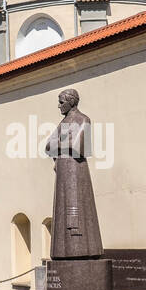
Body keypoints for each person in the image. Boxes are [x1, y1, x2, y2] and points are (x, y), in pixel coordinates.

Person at [45, 89, 103, 259]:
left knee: (78, 206)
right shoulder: (62, 123)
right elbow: (48, 147)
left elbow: (79, 146)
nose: (59, 106)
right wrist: (64, 143)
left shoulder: (83, 119)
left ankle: (84, 248)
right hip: (62, 170)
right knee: (62, 206)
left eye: (61, 102)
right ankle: (64, 251)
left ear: (71, 101)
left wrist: (60, 144)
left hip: (76, 170)